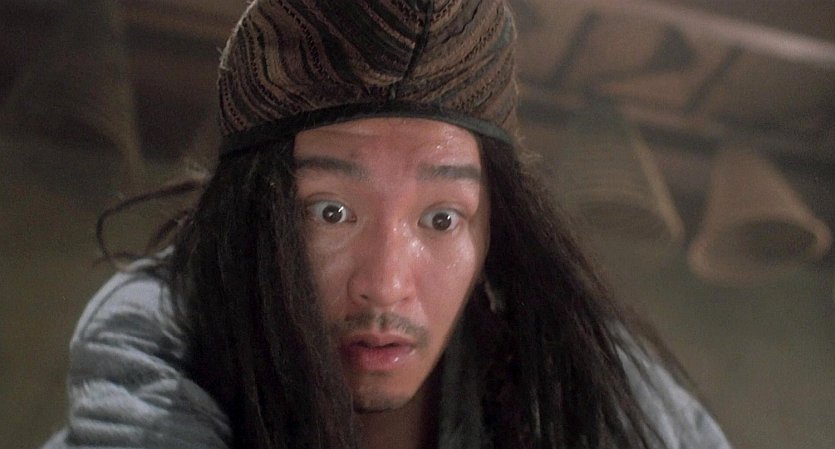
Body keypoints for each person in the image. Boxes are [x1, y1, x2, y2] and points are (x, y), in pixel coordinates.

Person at [43, 1, 732, 448]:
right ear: (253, 219)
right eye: (330, 212)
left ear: (494, 233)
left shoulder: (575, 366)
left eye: (441, 218)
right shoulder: (161, 342)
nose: (385, 283)